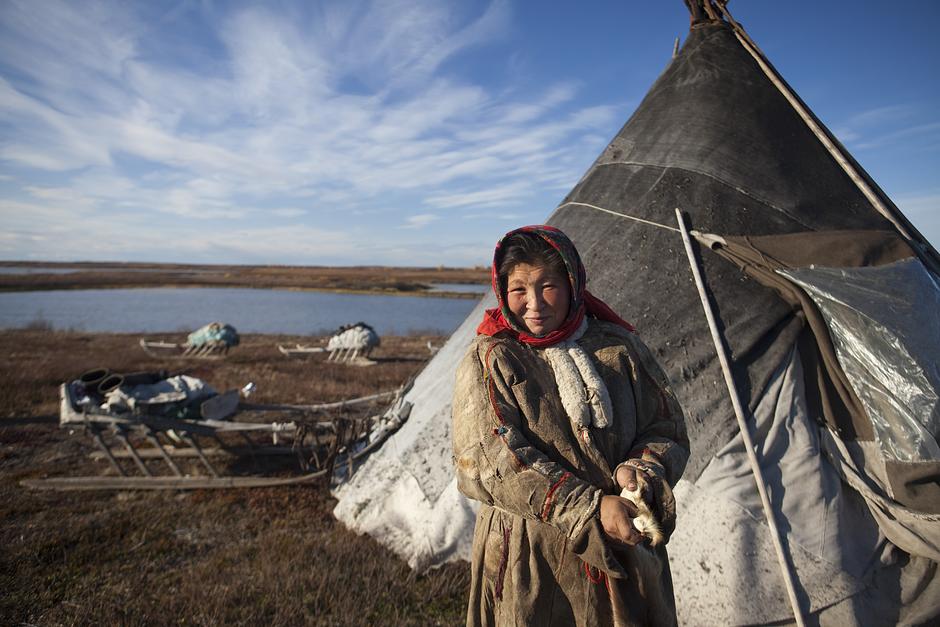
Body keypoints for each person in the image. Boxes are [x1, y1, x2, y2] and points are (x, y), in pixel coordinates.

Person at [452, 225, 690, 626]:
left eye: (548, 286)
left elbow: (665, 427)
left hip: (625, 540)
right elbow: (489, 463)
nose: (534, 304)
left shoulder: (619, 347)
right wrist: (591, 508)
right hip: (531, 556)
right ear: (502, 292)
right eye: (518, 290)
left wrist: (641, 472)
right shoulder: (492, 358)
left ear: (572, 282)